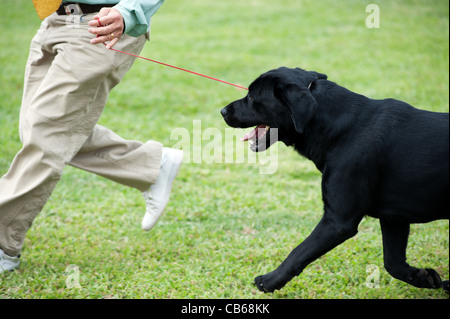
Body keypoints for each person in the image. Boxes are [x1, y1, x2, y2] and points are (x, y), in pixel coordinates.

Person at [0, 0, 183, 273]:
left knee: (47, 135)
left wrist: (128, 11)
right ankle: (149, 165)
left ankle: (3, 245)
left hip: (102, 25)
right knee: (39, 131)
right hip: (55, 20)